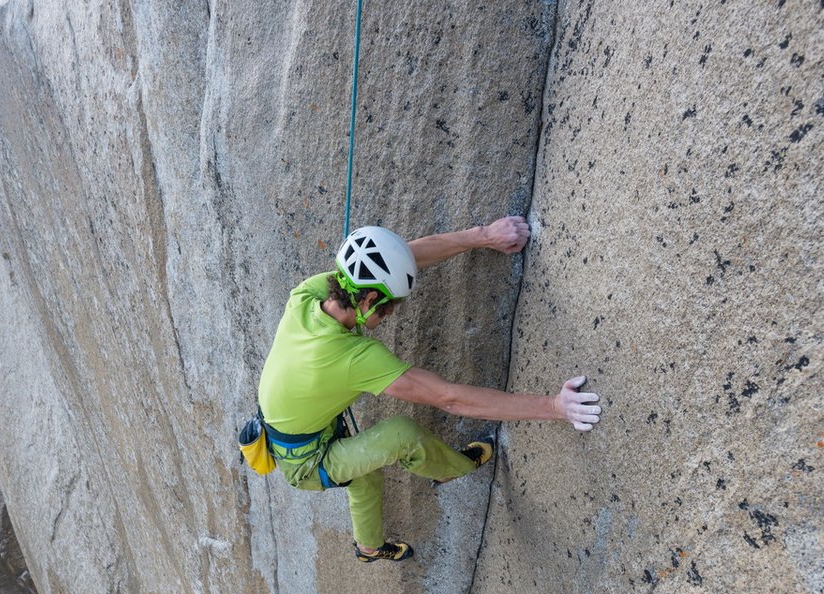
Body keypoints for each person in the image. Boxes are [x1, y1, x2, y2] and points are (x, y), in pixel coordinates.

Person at [256, 216, 601, 563]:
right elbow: (448, 397)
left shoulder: (311, 294)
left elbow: (403, 257)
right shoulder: (354, 358)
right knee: (399, 436)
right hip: (305, 461)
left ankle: (367, 548)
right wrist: (555, 407)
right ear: (369, 299)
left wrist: (484, 237)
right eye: (388, 308)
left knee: (364, 476)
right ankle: (451, 469)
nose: (389, 315)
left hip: (299, 428)